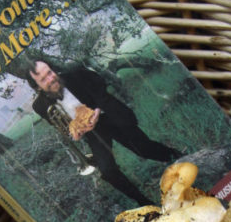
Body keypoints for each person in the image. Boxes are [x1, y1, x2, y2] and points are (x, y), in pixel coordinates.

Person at [27, 59, 182, 206]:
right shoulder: (40, 106)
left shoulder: (75, 75)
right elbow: (60, 125)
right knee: (108, 171)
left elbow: (100, 85)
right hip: (93, 132)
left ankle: (178, 157)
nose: (51, 78)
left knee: (143, 149)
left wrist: (97, 110)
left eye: (49, 72)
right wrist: (74, 133)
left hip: (108, 114)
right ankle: (144, 202)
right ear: (37, 87)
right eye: (43, 79)